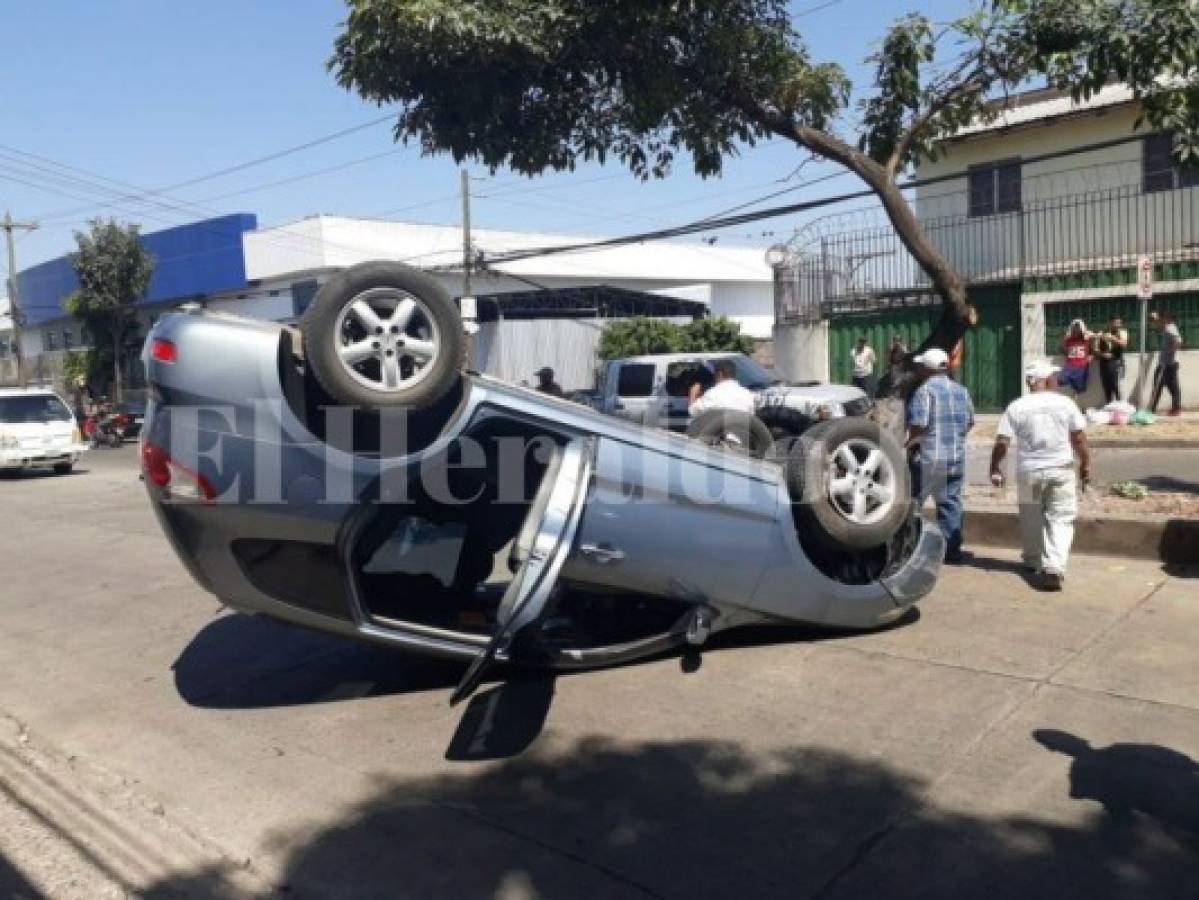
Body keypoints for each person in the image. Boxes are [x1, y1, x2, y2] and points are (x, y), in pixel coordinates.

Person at [989, 360, 1091, 592]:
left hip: (1029, 472)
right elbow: (1079, 439)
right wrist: (1086, 463)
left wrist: (995, 467)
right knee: (1061, 518)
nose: (1056, 380)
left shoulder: (1016, 407)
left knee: (1031, 518)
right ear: (1044, 380)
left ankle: (1034, 561)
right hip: (1061, 470)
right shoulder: (1065, 403)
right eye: (1053, 377)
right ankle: (1054, 567)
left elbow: (1002, 443)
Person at [905, 348, 974, 564]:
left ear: (926, 368)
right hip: (956, 458)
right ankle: (952, 552)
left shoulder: (924, 391)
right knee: (950, 504)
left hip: (930, 459)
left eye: (920, 366)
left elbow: (919, 425)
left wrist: (908, 446)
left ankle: (906, 549)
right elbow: (970, 422)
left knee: (912, 503)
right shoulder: (961, 391)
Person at [688, 357, 756, 417]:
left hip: (719, 431)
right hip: (742, 430)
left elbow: (694, 412)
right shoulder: (748, 395)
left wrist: (693, 393)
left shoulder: (713, 394)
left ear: (719, 374)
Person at [1149, 310, 1183, 416]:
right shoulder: (1167, 328)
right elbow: (1158, 325)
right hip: (1167, 363)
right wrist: (1154, 318)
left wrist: (1170, 353)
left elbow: (1178, 341)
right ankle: (1175, 409)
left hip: (1167, 364)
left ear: (1165, 319)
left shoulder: (1170, 328)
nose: (1158, 322)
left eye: (1159, 320)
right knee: (1170, 387)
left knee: (1160, 386)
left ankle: (1152, 410)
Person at [1095, 315, 1129, 404]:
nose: (1118, 325)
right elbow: (1096, 350)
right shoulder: (1102, 333)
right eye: (1116, 323)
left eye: (1120, 323)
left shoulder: (1122, 332)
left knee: (1116, 386)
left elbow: (1124, 344)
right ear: (1110, 322)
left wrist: (1112, 338)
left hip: (1117, 362)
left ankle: (1120, 406)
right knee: (1106, 386)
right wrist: (1102, 354)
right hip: (1104, 363)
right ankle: (1110, 406)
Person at [1058, 319, 1092, 395]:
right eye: (1074, 329)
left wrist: (1090, 357)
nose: (1076, 331)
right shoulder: (1068, 339)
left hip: (1081, 366)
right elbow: (1063, 350)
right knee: (1061, 381)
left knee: (1079, 388)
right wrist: (1062, 341)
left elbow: (1093, 348)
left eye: (1078, 330)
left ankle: (1074, 400)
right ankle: (1074, 384)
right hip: (1070, 365)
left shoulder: (1086, 339)